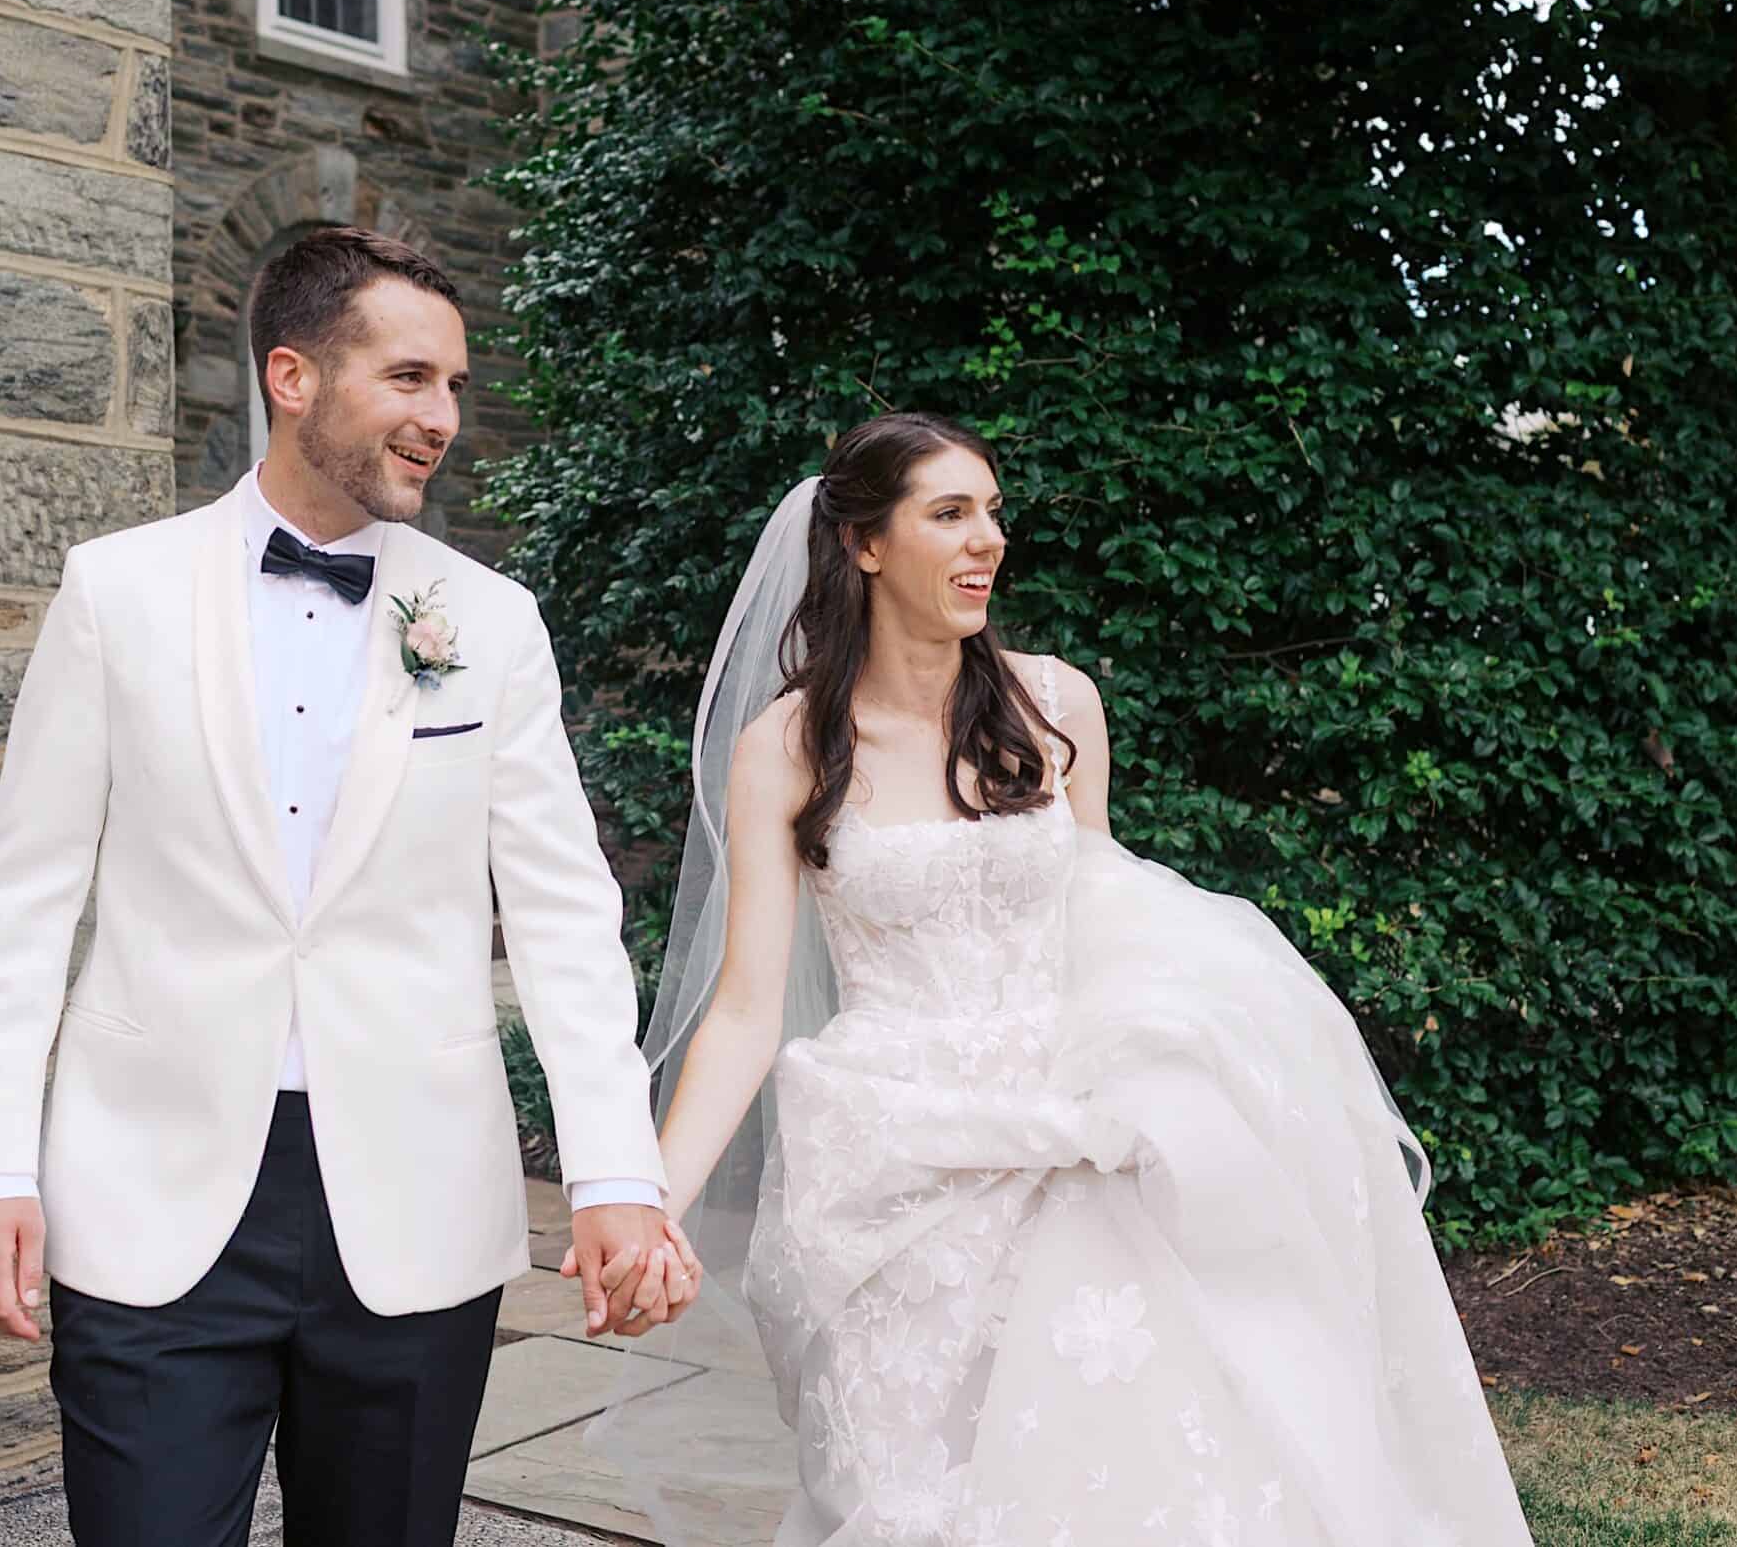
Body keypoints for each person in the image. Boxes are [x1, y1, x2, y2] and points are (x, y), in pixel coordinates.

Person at [585, 411, 1534, 1545]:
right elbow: (743, 1007)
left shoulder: (1053, 705)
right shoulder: (787, 749)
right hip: (891, 1160)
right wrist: (650, 1207)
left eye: (992, 511)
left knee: (1123, 1479)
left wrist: (1188, 1067)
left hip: (1071, 1145)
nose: (986, 539)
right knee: (912, 1501)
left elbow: (1109, 922)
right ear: (864, 544)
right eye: (949, 513)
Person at [0, 227, 696, 1547]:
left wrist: (614, 1171)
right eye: (409, 378)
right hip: (150, 1191)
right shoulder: (115, 592)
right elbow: (25, 897)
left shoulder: (492, 621)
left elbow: (569, 915)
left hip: (414, 1204)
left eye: (454, 385)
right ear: (291, 376)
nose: (442, 417)